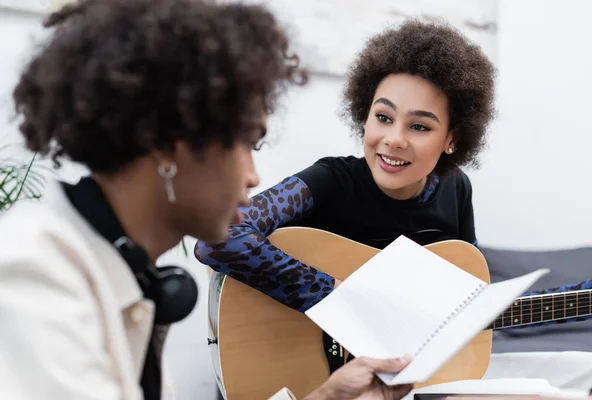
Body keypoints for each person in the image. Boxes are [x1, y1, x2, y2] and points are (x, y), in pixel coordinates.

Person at [0, 0, 414, 399]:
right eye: (246, 145)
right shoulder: (33, 276)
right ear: (167, 144)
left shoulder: (120, 271)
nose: (253, 175)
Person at [195, 19, 496, 313]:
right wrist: (336, 297)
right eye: (383, 117)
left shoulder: (455, 187)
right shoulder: (330, 181)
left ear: (452, 139)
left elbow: (469, 283)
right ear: (365, 115)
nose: (394, 139)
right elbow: (220, 237)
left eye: (419, 126)